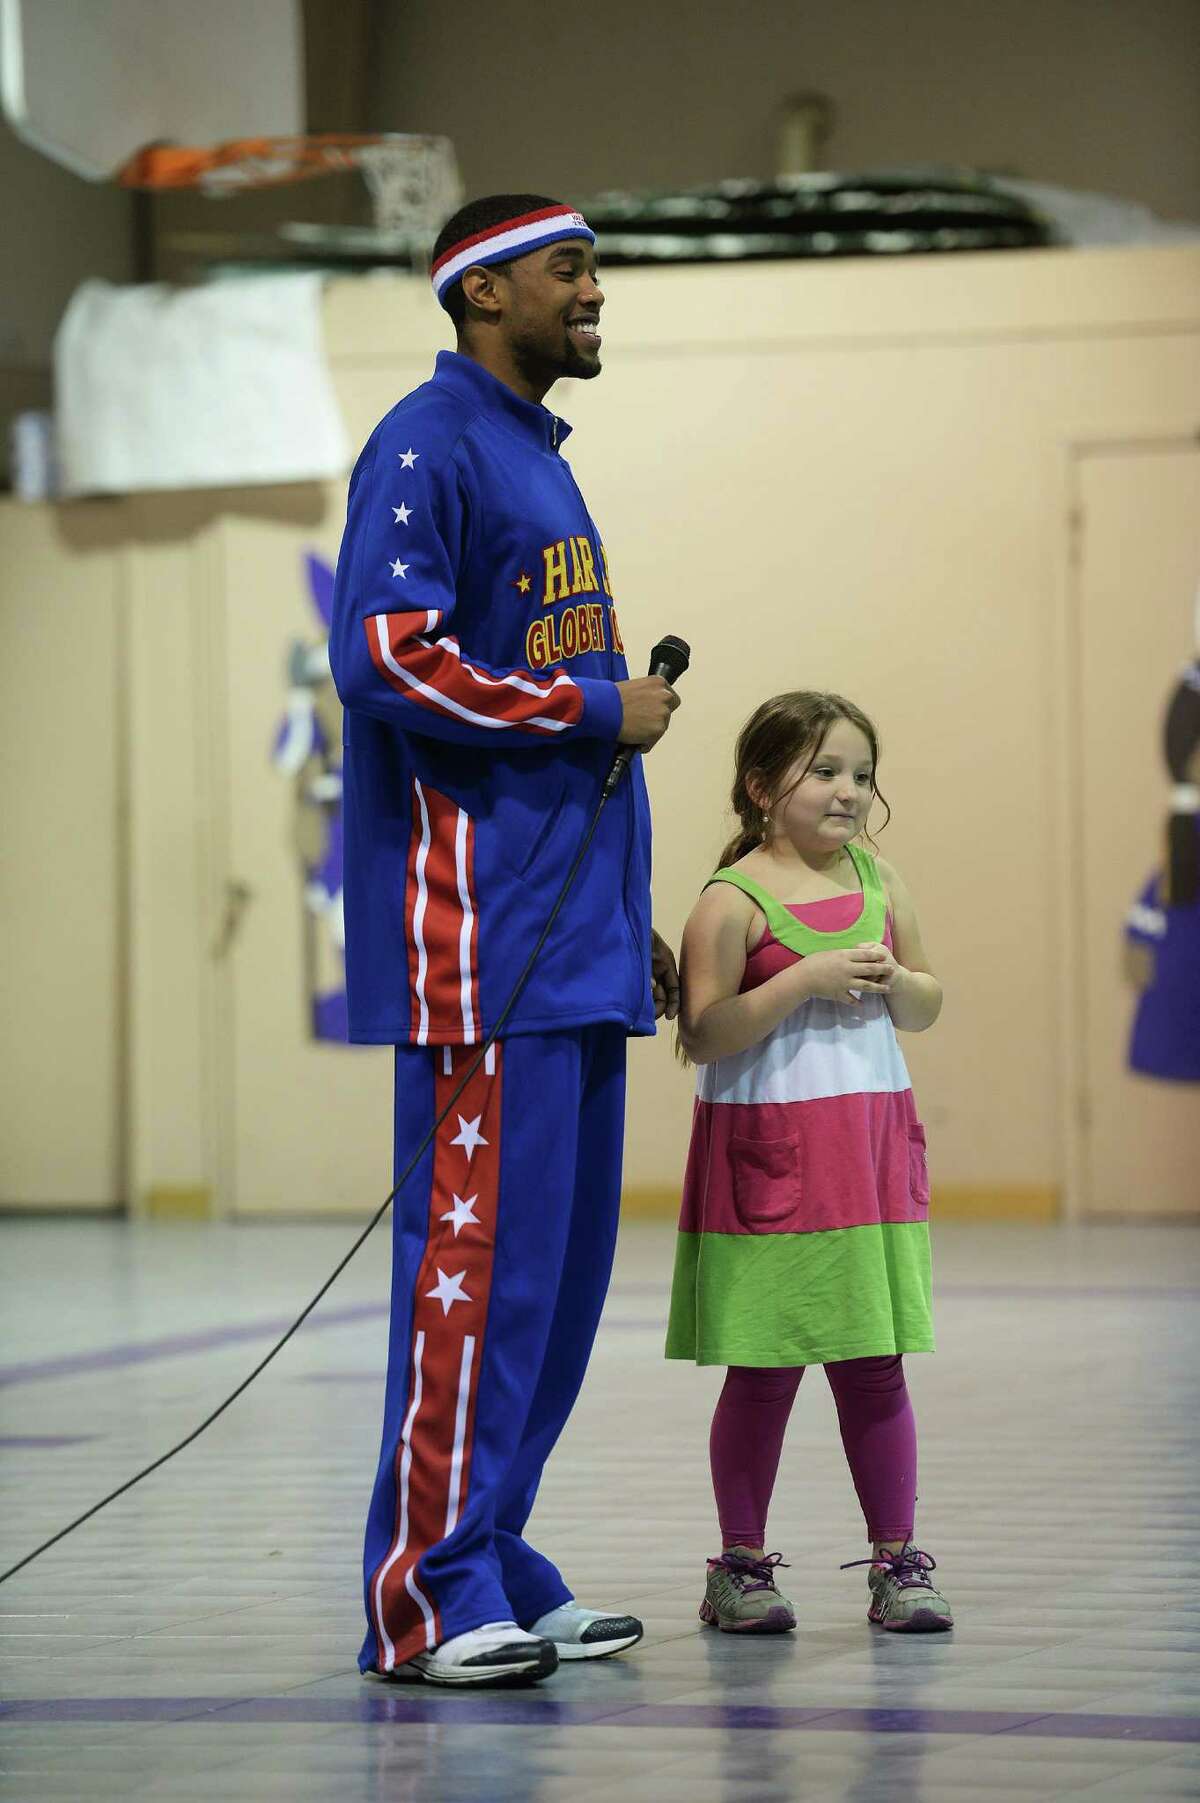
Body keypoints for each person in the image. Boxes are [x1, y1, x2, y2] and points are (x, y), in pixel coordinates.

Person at [330, 194, 681, 1687]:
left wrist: (627, 917)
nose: (594, 291)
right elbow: (388, 654)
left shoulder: (536, 459)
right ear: (483, 293)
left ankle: (494, 1547)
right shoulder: (428, 439)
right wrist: (602, 707)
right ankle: (421, 1593)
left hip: (572, 944)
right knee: (475, 1275)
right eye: (568, 269)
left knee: (559, 1281)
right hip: (483, 954)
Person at [666, 691, 953, 1634]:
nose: (847, 792)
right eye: (824, 770)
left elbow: (923, 1003)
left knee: (877, 1364)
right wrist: (803, 979)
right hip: (772, 1171)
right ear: (760, 786)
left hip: (867, 1165)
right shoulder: (730, 900)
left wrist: (901, 984)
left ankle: (897, 1561)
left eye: (862, 775)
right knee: (764, 1369)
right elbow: (705, 1034)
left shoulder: (879, 876)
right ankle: (739, 1566)